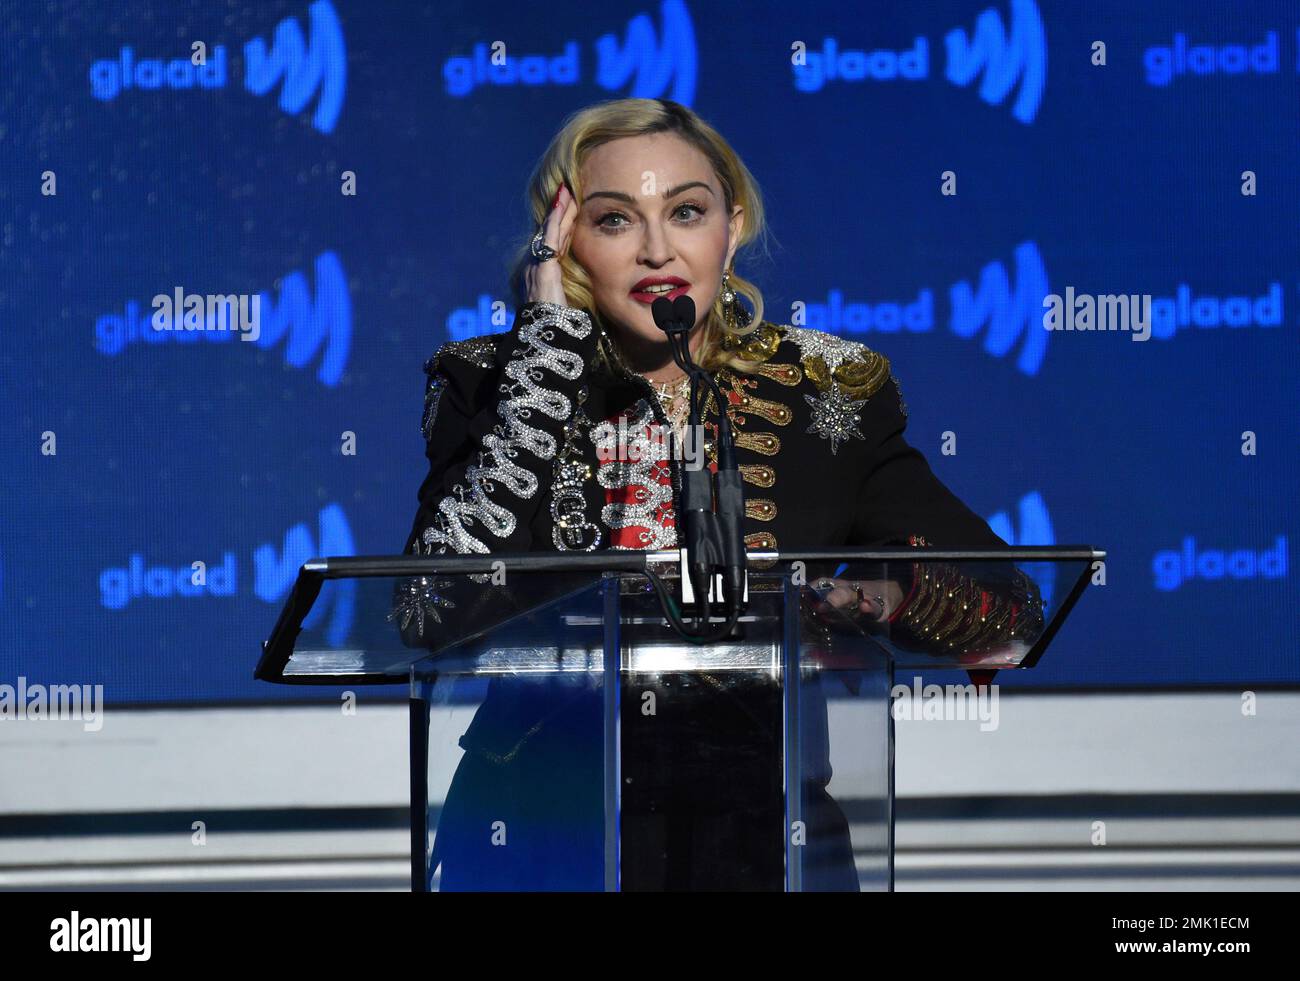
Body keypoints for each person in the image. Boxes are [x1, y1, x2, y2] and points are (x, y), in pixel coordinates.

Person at [396, 98, 1042, 891]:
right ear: (561, 243)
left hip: (764, 842)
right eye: (614, 221)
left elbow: (1009, 605)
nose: (658, 250)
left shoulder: (824, 394)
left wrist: (876, 599)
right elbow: (429, 606)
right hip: (537, 835)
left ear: (730, 228)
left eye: (687, 212)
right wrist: (545, 359)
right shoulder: (493, 380)